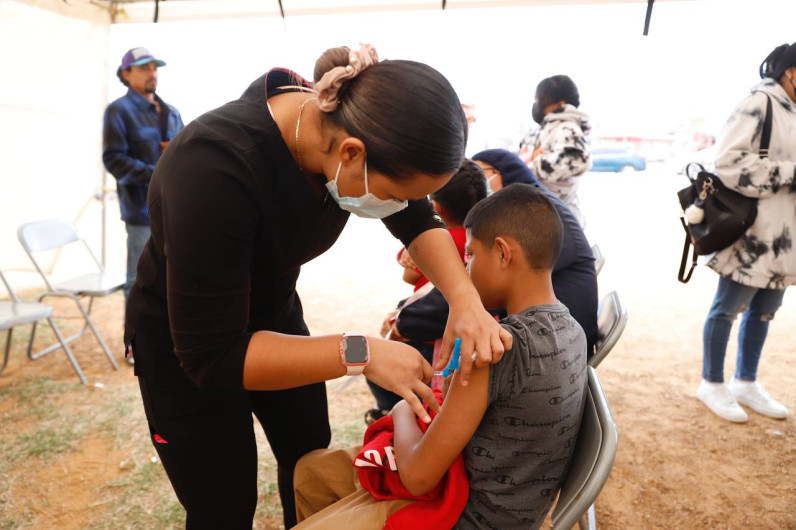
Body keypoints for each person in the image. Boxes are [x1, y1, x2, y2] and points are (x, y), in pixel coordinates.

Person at [124, 44, 511, 529]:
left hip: (275, 320)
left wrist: (464, 301)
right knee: (222, 503)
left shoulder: (342, 130)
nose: (397, 205)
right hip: (189, 349)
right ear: (352, 154)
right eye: (392, 195)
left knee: (308, 459)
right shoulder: (213, 169)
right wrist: (362, 352)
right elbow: (213, 356)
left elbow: (415, 217)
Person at [293, 184, 588, 529]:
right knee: (309, 473)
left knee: (311, 487)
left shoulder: (495, 348)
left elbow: (419, 477)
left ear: (504, 254)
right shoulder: (573, 330)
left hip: (458, 515)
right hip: (509, 509)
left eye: (471, 255)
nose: (466, 268)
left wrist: (403, 406)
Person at [391, 149, 598, 359]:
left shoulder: (523, 217)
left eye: (482, 173)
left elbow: (477, 292)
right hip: (562, 338)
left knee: (397, 362)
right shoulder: (539, 206)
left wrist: (405, 322)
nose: (477, 183)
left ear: (500, 172)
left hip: (547, 348)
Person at [696, 42, 796, 423]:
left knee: (767, 310)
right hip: (754, 231)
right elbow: (728, 161)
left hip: (786, 235)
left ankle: (745, 381)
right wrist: (790, 172)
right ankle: (712, 382)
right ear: (791, 70)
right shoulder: (760, 102)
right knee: (728, 308)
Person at [367, 161, 488, 420]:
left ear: (435, 207)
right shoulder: (473, 240)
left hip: (428, 338)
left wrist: (400, 321)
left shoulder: (436, 242)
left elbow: (408, 274)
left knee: (378, 363)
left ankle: (389, 413)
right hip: (439, 329)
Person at [103, 47, 184, 305]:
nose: (152, 73)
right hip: (140, 211)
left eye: (154, 67)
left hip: (175, 208)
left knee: (175, 277)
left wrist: (176, 153)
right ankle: (134, 344)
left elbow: (186, 153)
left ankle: (166, 340)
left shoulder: (171, 111)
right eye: (144, 68)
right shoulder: (118, 110)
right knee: (139, 280)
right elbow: (114, 159)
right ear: (126, 74)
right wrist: (158, 174)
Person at [518, 75, 591, 227]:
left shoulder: (568, 128)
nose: (536, 104)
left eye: (540, 99)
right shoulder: (538, 130)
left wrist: (531, 168)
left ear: (560, 103)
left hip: (559, 220)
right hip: (534, 215)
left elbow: (577, 160)